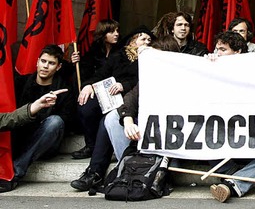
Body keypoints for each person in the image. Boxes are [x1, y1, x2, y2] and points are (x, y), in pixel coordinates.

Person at [71, 26, 153, 192]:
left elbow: (144, 83)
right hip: (110, 97)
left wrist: (124, 85)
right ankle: (92, 147)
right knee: (86, 106)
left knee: (107, 121)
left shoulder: (152, 59)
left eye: (149, 40)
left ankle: (95, 172)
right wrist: (88, 86)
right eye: (143, 38)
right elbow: (101, 74)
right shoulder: (117, 57)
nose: (147, 42)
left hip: (132, 101)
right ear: (132, 41)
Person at [206, 31, 255, 203]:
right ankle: (237, 179)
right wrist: (205, 66)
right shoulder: (211, 66)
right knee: (205, 138)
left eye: (223, 50)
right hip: (228, 138)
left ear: (238, 52)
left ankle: (234, 184)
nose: (218, 53)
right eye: (217, 49)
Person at [6, 45, 74, 192]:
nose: (45, 66)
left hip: (46, 142)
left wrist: (49, 108)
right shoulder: (21, 83)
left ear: (58, 67)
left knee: (55, 122)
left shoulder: (64, 90)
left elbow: (65, 124)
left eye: (51, 63)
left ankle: (16, 172)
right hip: (20, 137)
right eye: (43, 61)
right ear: (37, 62)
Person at [104, 36, 180, 161]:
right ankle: (126, 164)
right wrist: (128, 121)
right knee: (112, 117)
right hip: (149, 124)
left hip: (172, 131)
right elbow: (131, 97)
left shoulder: (185, 76)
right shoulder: (151, 76)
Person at [72, 19, 120, 159]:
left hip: (116, 91)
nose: (116, 34)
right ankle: (90, 145)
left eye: (117, 31)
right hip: (96, 90)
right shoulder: (94, 50)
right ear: (103, 33)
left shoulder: (122, 50)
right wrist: (75, 62)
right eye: (112, 31)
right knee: (85, 107)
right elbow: (85, 72)